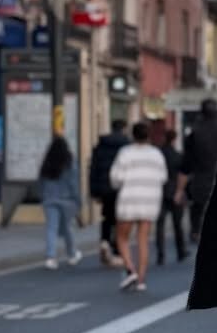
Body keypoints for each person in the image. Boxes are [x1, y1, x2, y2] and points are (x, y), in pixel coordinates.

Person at [109, 121, 168, 291]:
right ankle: (141, 280)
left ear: (132, 136)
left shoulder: (125, 153)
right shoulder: (156, 154)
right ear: (148, 136)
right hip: (149, 200)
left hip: (129, 199)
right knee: (143, 240)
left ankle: (130, 269)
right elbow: (163, 177)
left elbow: (115, 178)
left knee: (122, 238)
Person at [179, 98, 217, 241]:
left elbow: (186, 163)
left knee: (197, 210)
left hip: (200, 180)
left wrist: (180, 188)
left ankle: (196, 232)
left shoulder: (195, 132)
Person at [38, 135, 82, 270]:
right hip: (67, 201)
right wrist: (78, 200)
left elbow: (41, 182)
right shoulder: (70, 162)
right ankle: (72, 254)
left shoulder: (47, 163)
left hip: (49, 200)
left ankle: (50, 258)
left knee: (51, 228)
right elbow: (73, 184)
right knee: (67, 228)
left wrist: (43, 197)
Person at [89, 119, 129, 266]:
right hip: (121, 189)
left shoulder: (100, 145)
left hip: (104, 188)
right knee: (120, 219)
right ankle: (117, 250)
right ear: (124, 128)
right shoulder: (127, 146)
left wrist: (94, 191)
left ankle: (105, 241)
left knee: (106, 217)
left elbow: (93, 170)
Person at [156, 128, 188, 266]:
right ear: (174, 139)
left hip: (160, 191)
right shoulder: (178, 155)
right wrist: (180, 191)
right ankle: (181, 251)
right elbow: (183, 174)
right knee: (177, 225)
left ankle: (160, 255)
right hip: (175, 190)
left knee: (160, 225)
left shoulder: (158, 155)